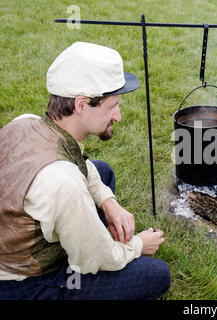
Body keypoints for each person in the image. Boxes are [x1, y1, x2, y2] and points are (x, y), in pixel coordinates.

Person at [0, 42, 171, 299]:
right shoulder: (63, 181)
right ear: (81, 104)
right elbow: (98, 258)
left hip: (14, 242)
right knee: (156, 274)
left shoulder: (27, 122)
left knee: (102, 172)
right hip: (24, 281)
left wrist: (108, 202)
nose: (119, 116)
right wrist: (138, 245)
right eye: (112, 106)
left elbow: (80, 163)